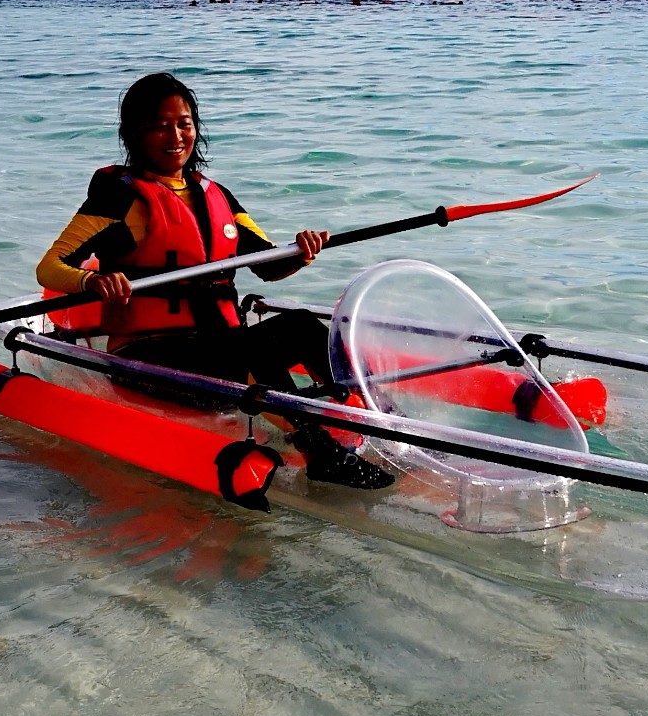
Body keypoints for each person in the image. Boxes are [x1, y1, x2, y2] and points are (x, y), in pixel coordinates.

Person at [35, 72, 393, 489]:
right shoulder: (118, 198)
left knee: (298, 325)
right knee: (250, 348)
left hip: (218, 347)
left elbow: (268, 265)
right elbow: (51, 267)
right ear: (136, 134)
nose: (175, 135)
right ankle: (318, 450)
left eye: (184, 123)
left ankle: (385, 422)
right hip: (149, 359)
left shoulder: (217, 195)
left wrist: (302, 251)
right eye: (160, 125)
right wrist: (93, 282)